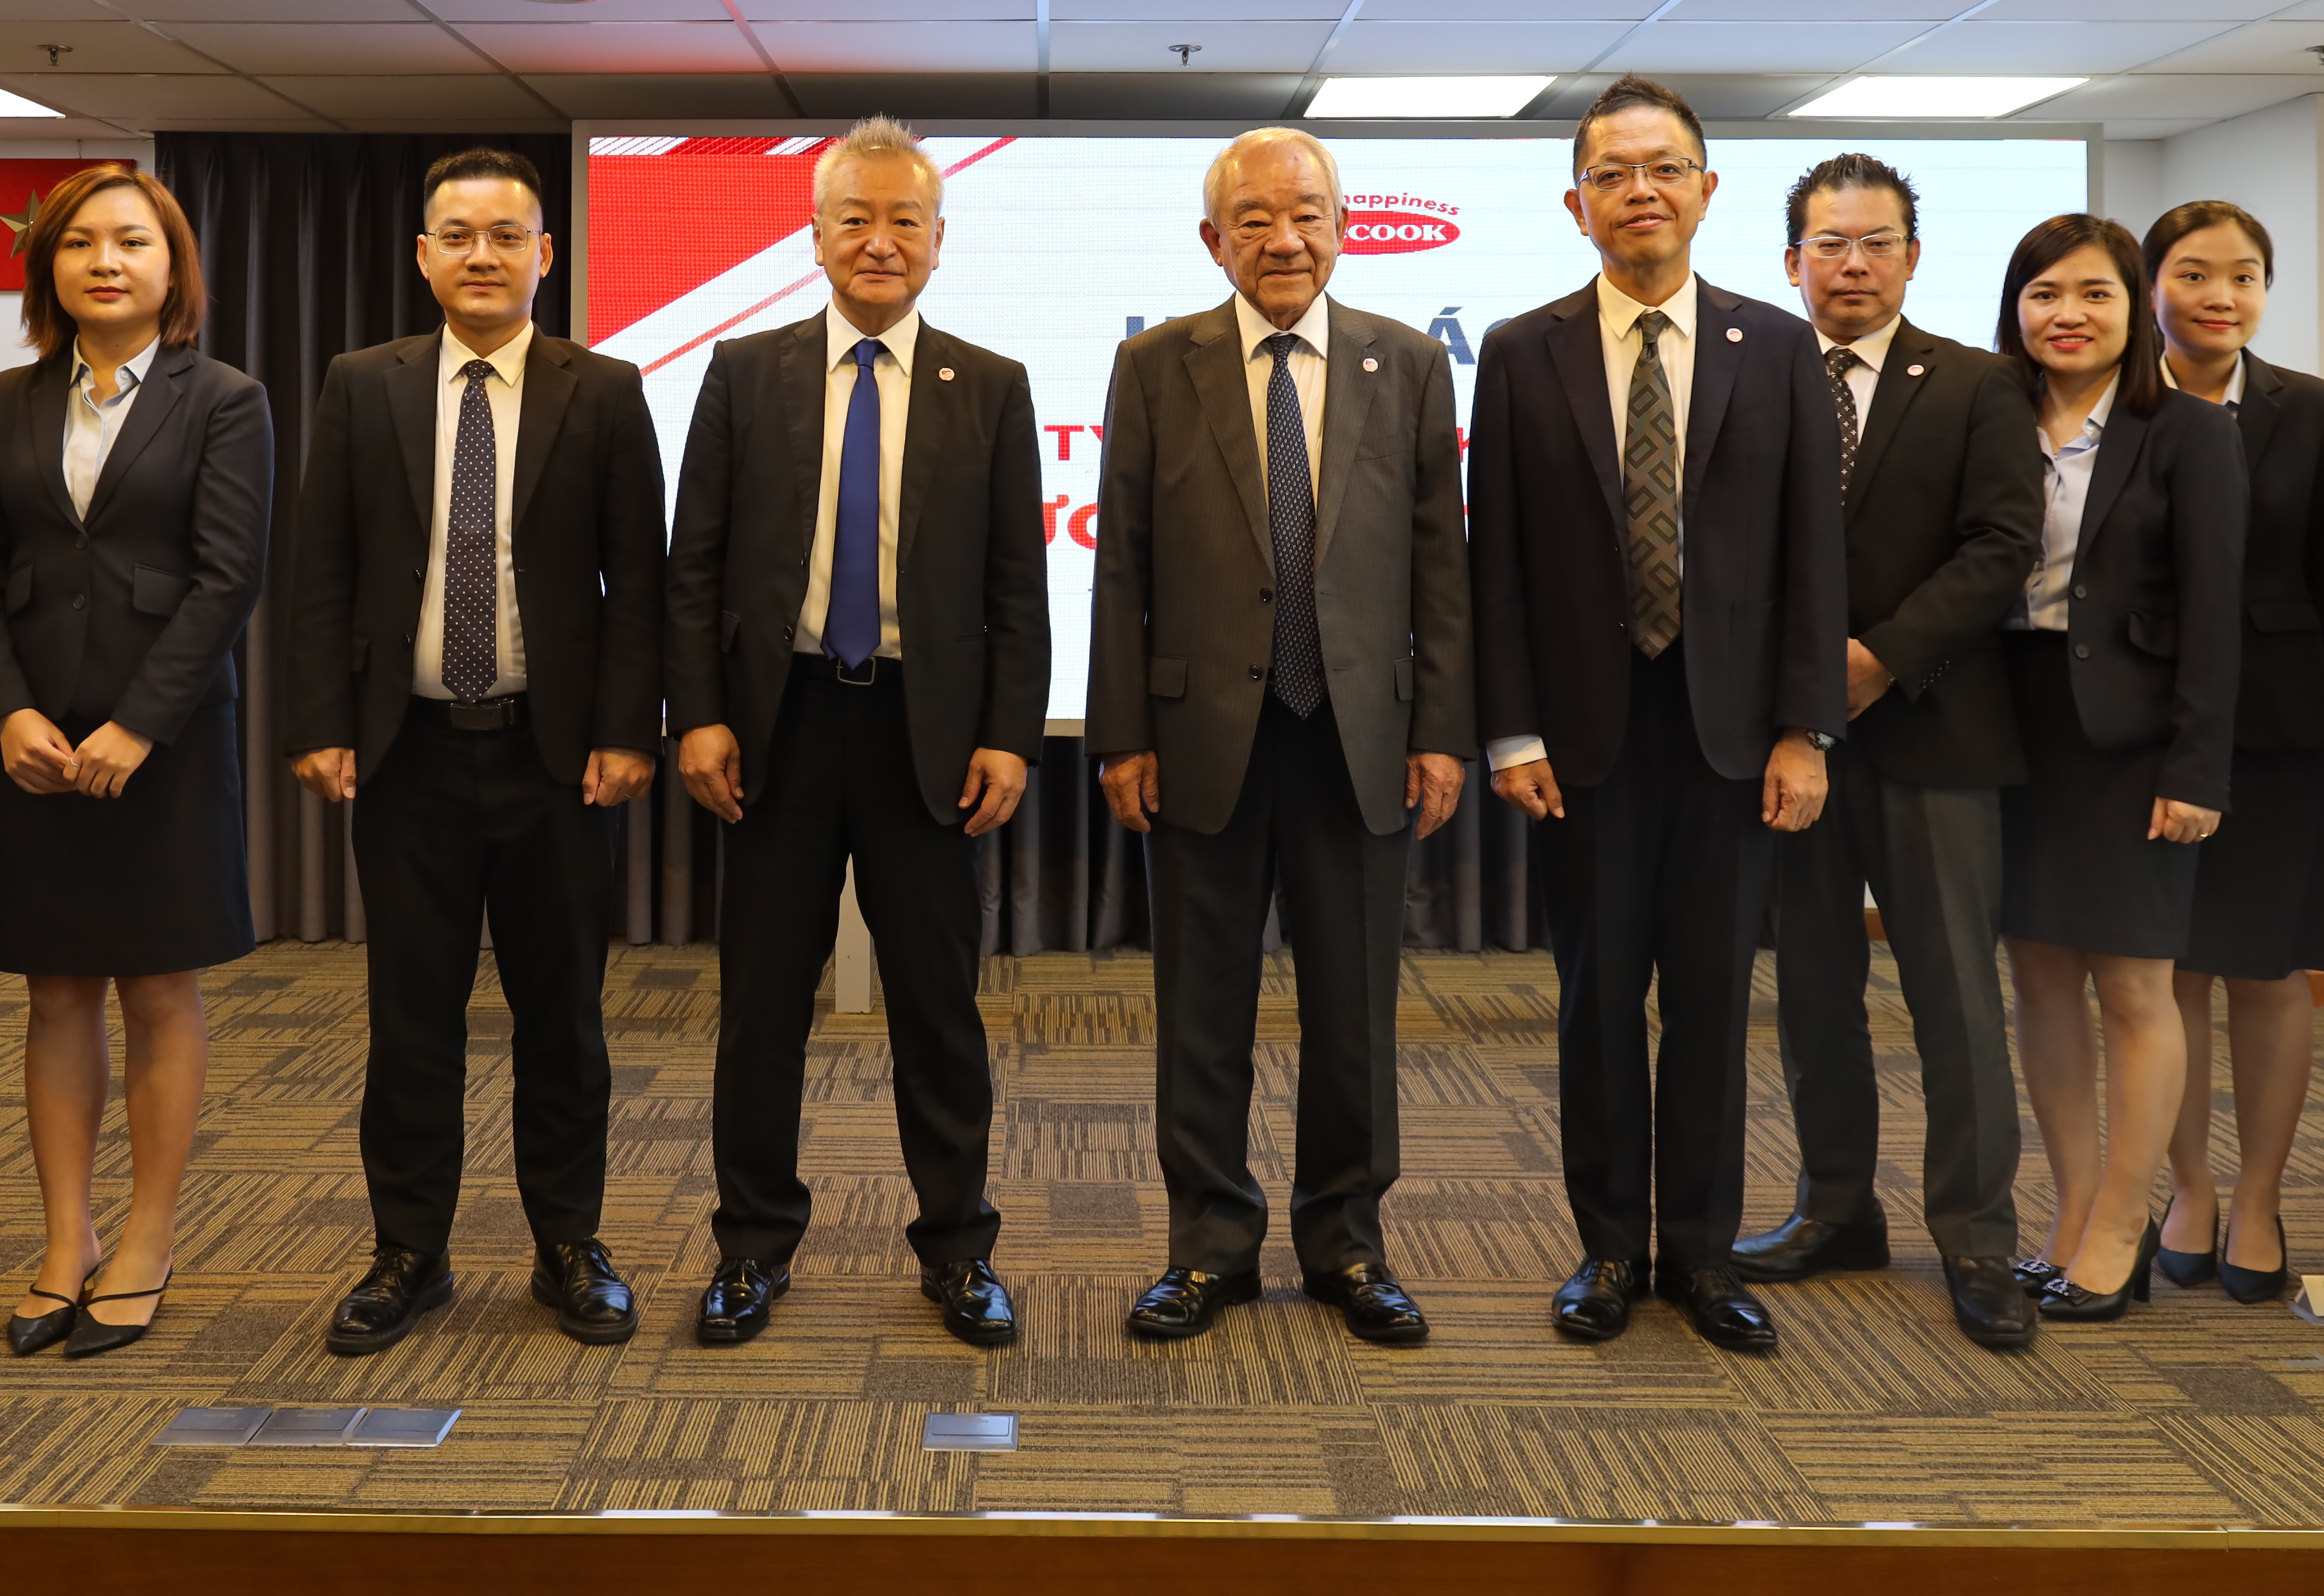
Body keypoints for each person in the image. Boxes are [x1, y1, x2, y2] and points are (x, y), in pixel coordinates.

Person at [1471, 77, 1847, 1356]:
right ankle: (1606, 1249)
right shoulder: (1521, 350)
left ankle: (1698, 1251)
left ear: (1707, 189)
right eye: (1613, 172)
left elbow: (1813, 555)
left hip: (1731, 739)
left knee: (1710, 1003)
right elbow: (1496, 559)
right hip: (1583, 741)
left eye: (1665, 167)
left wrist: (1804, 728)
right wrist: (1510, 730)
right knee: (1595, 1002)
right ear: (1576, 202)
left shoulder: (1776, 346)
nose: (1641, 190)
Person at [1088, 128, 1471, 1346]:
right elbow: (1121, 562)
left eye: (1305, 213)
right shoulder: (1156, 363)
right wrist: (1120, 733)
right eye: (1253, 219)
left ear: (1343, 226)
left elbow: (1440, 564)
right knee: (1202, 1011)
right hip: (1202, 735)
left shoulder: (1410, 363)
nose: (1283, 238)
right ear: (1215, 240)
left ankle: (1348, 1243)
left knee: (1354, 1013)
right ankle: (1208, 1246)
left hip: (1361, 735)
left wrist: (1443, 727)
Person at [669, 118, 1048, 1348]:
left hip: (924, 731)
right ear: (816, 234)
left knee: (939, 1007)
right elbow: (695, 562)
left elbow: (1017, 582)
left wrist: (1011, 733)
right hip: (776, 727)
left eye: (904, 221)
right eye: (855, 219)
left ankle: (960, 1248)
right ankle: (750, 1247)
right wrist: (700, 710)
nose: (879, 241)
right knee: (762, 1005)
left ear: (940, 239)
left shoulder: (990, 384)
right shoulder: (745, 372)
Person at [286, 147, 663, 1356]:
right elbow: (321, 563)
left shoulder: (604, 388)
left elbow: (638, 580)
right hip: (410, 756)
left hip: (555, 760)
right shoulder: (364, 384)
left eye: (507, 236)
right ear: (424, 254)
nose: (482, 255)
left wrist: (626, 728)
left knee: (565, 1019)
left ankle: (569, 1244)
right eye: (458, 235)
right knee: (412, 1020)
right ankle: (410, 1249)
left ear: (545, 253)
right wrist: (320, 718)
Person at [0, 166, 270, 1359]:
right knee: (56, 989)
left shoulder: (224, 398)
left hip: (163, 740)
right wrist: (7, 714)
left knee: (160, 989)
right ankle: (65, 1235)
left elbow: (228, 577)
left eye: (133, 240)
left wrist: (138, 723)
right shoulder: (3, 401)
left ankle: (148, 1236)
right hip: (37, 737)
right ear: (50, 267)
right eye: (81, 242)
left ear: (172, 266)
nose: (106, 260)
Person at [1732, 155, 2047, 1351]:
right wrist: (1803, 694)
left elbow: (2001, 544)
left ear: (1913, 256)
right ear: (1791, 261)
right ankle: (1836, 1209)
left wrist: (1872, 660)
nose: (1852, 264)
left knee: (1955, 996)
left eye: (1876, 242)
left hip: (1934, 730)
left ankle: (1975, 1234)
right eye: (1829, 243)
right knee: (1815, 990)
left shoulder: (1977, 382)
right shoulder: (1752, 380)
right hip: (1787, 742)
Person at [1991, 212, 2245, 1322]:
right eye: (2045, 293)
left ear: (2133, 308)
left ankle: (2123, 1220)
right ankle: (2070, 1211)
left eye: (2095, 293)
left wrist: (2198, 767)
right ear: (2016, 307)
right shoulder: (1989, 416)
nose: (2069, 315)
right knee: (2040, 979)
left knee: (2137, 986)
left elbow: (2216, 614)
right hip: (2011, 729)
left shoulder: (2186, 431)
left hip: (2137, 742)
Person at [2145, 201, 2324, 1305]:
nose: (2221, 295)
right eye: (2193, 272)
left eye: (2244, 275)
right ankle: (2188, 1190)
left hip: (2276, 726)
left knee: (2270, 969)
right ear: (2152, 285)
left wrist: (2265, 672)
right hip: (2146, 723)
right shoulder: (2118, 402)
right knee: (2169, 968)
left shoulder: (2312, 409)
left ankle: (2263, 1197)